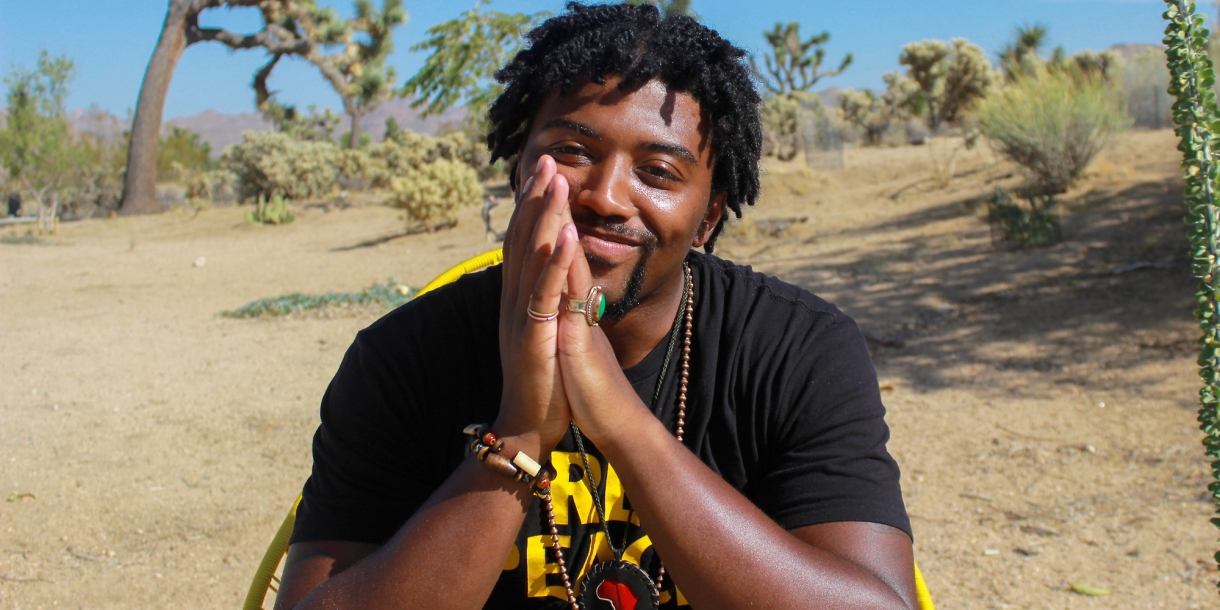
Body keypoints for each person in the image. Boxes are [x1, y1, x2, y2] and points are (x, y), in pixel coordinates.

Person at [276, 3, 914, 609]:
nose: (606, 197)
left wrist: (624, 422)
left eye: (659, 172)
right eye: (571, 152)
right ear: (518, 171)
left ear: (708, 220)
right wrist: (521, 434)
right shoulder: (406, 356)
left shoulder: (797, 350)